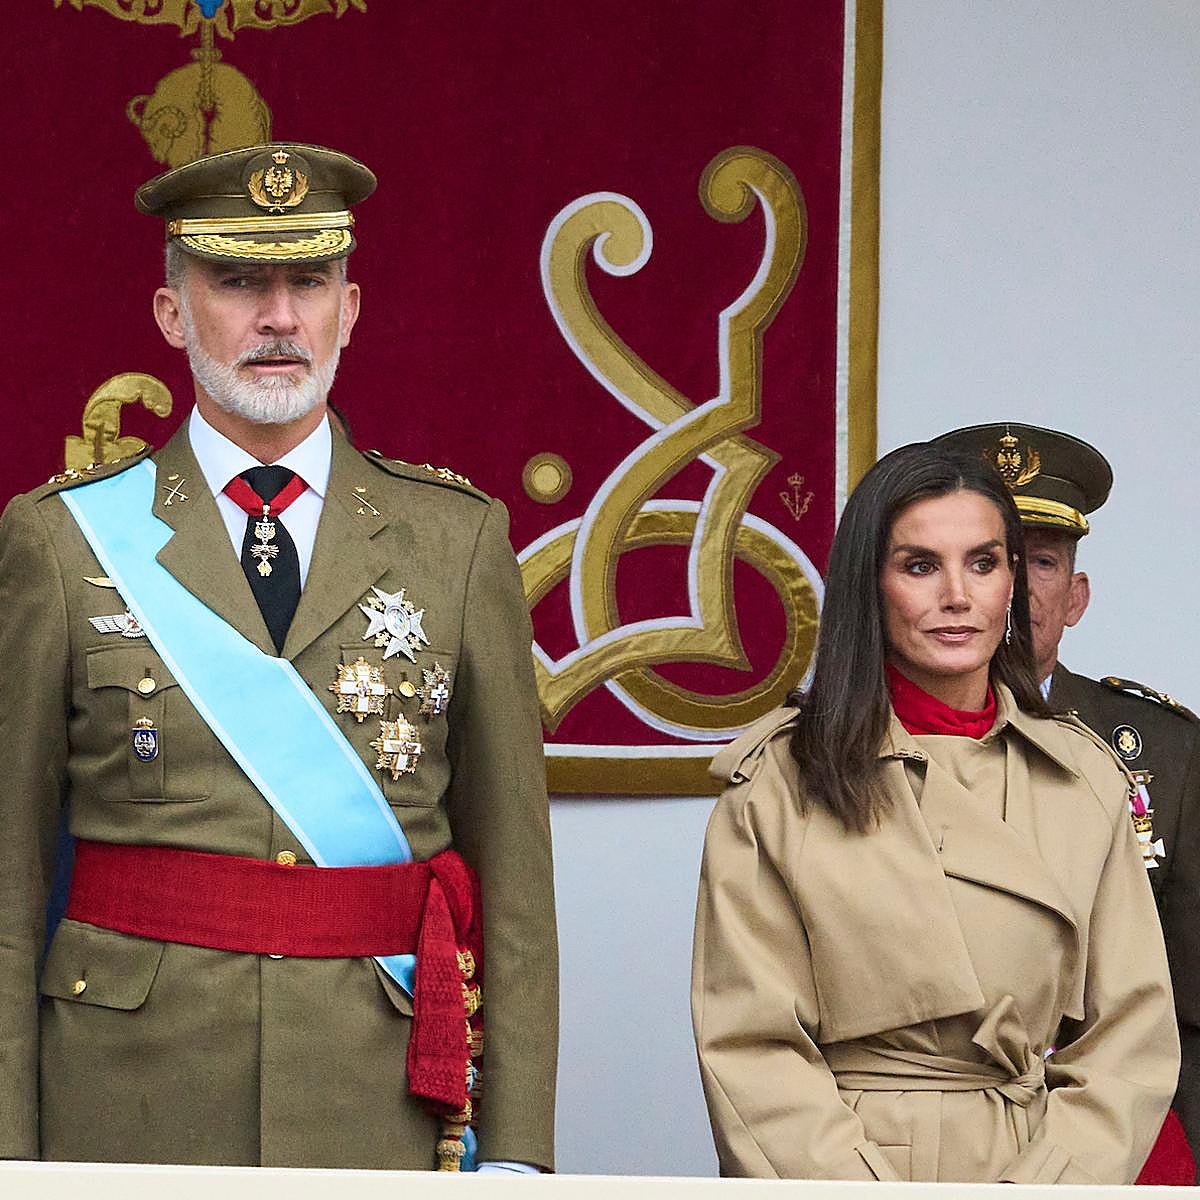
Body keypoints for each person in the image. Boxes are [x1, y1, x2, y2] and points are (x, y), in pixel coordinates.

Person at [0, 142, 557, 1172]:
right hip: (127, 1093)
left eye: (310, 282)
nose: (280, 318)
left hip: (374, 1093)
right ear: (173, 314)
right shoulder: (59, 541)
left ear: (352, 307)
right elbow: (7, 874)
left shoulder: (457, 539)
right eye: (240, 281)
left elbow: (514, 878)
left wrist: (518, 1150)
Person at [691, 441, 1178, 1183]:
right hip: (843, 1172)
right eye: (920, 566)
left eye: (984, 563)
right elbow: (752, 1049)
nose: (958, 595)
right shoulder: (782, 782)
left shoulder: (1085, 779)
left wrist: (1048, 1187)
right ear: (870, 584)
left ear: (1013, 581)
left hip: (1038, 1168)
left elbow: (1130, 1042)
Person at [935, 422, 1200, 1180]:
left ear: (1076, 597)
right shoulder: (861, 742)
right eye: (989, 561)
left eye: (1038, 563)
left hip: (1122, 1136)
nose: (1010, 590)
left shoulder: (1168, 750)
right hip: (932, 1125)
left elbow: (1190, 1009)